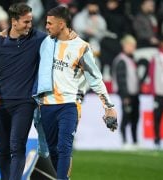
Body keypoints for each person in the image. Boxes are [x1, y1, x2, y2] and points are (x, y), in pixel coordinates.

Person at [34, 6, 117, 180]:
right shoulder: (45, 42)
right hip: (47, 104)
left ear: (61, 24)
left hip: (69, 105)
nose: (47, 26)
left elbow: (95, 79)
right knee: (53, 150)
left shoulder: (82, 48)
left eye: (50, 23)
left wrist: (108, 106)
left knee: (65, 147)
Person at [0, 3, 47, 180]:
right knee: (2, 148)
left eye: (31, 21)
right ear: (14, 21)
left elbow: (59, 36)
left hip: (25, 103)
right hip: (1, 101)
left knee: (17, 147)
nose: (29, 25)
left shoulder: (38, 39)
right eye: (26, 22)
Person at [112, 35, 140, 149]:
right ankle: (124, 141)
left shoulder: (132, 59)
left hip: (134, 93)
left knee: (135, 118)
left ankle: (134, 141)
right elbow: (121, 80)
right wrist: (125, 95)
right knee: (126, 117)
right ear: (125, 45)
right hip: (127, 94)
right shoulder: (121, 60)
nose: (133, 48)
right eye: (131, 45)